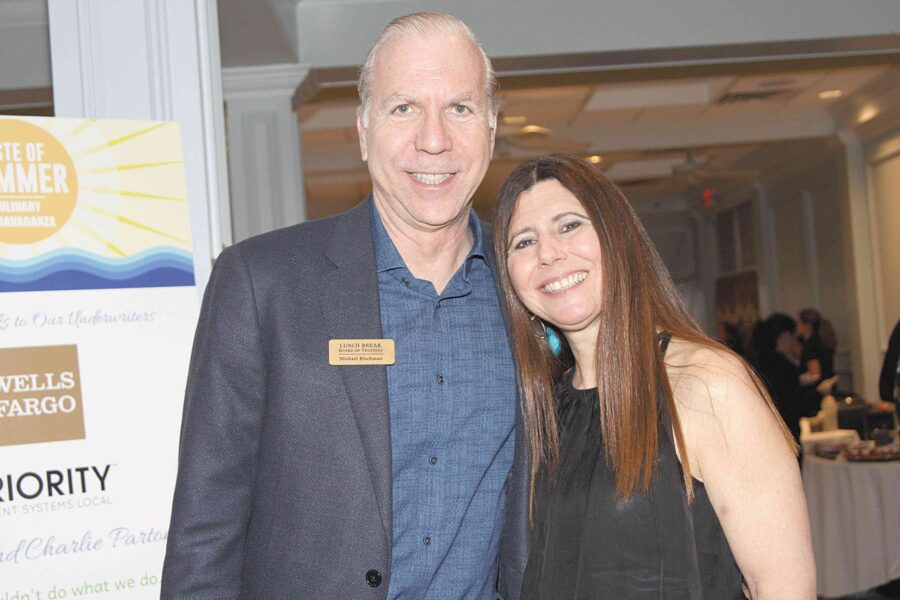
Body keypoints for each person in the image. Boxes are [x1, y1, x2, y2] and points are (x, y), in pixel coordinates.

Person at [161, 13, 528, 599]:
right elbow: (205, 529)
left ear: (490, 128)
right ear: (362, 130)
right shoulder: (262, 283)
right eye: (402, 108)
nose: (433, 139)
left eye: (459, 108)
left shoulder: (529, 293)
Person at [492, 154, 815, 600]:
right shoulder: (546, 409)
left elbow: (781, 585)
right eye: (523, 242)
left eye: (569, 226)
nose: (548, 253)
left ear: (617, 237)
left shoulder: (703, 382)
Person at [753, 313, 805, 444]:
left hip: (764, 432)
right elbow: (796, 405)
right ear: (785, 336)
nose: (795, 341)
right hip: (786, 432)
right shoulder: (784, 367)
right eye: (794, 337)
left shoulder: (759, 361)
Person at [796, 307, 837, 413]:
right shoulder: (822, 340)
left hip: (816, 394)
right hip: (827, 390)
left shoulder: (810, 345)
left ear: (807, 325)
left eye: (799, 323)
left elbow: (815, 374)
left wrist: (795, 380)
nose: (797, 326)